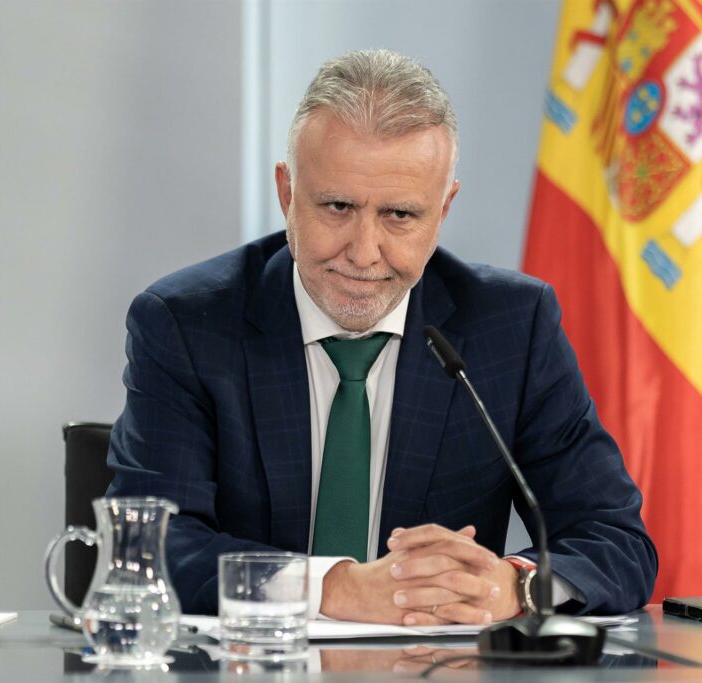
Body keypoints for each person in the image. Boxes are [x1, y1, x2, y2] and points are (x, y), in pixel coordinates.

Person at [107, 49, 656, 625]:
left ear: (443, 208)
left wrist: (512, 585)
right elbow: (148, 546)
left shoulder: (511, 328)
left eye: (399, 215)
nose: (364, 252)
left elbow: (616, 542)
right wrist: (337, 589)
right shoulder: (188, 324)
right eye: (337, 206)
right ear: (287, 193)